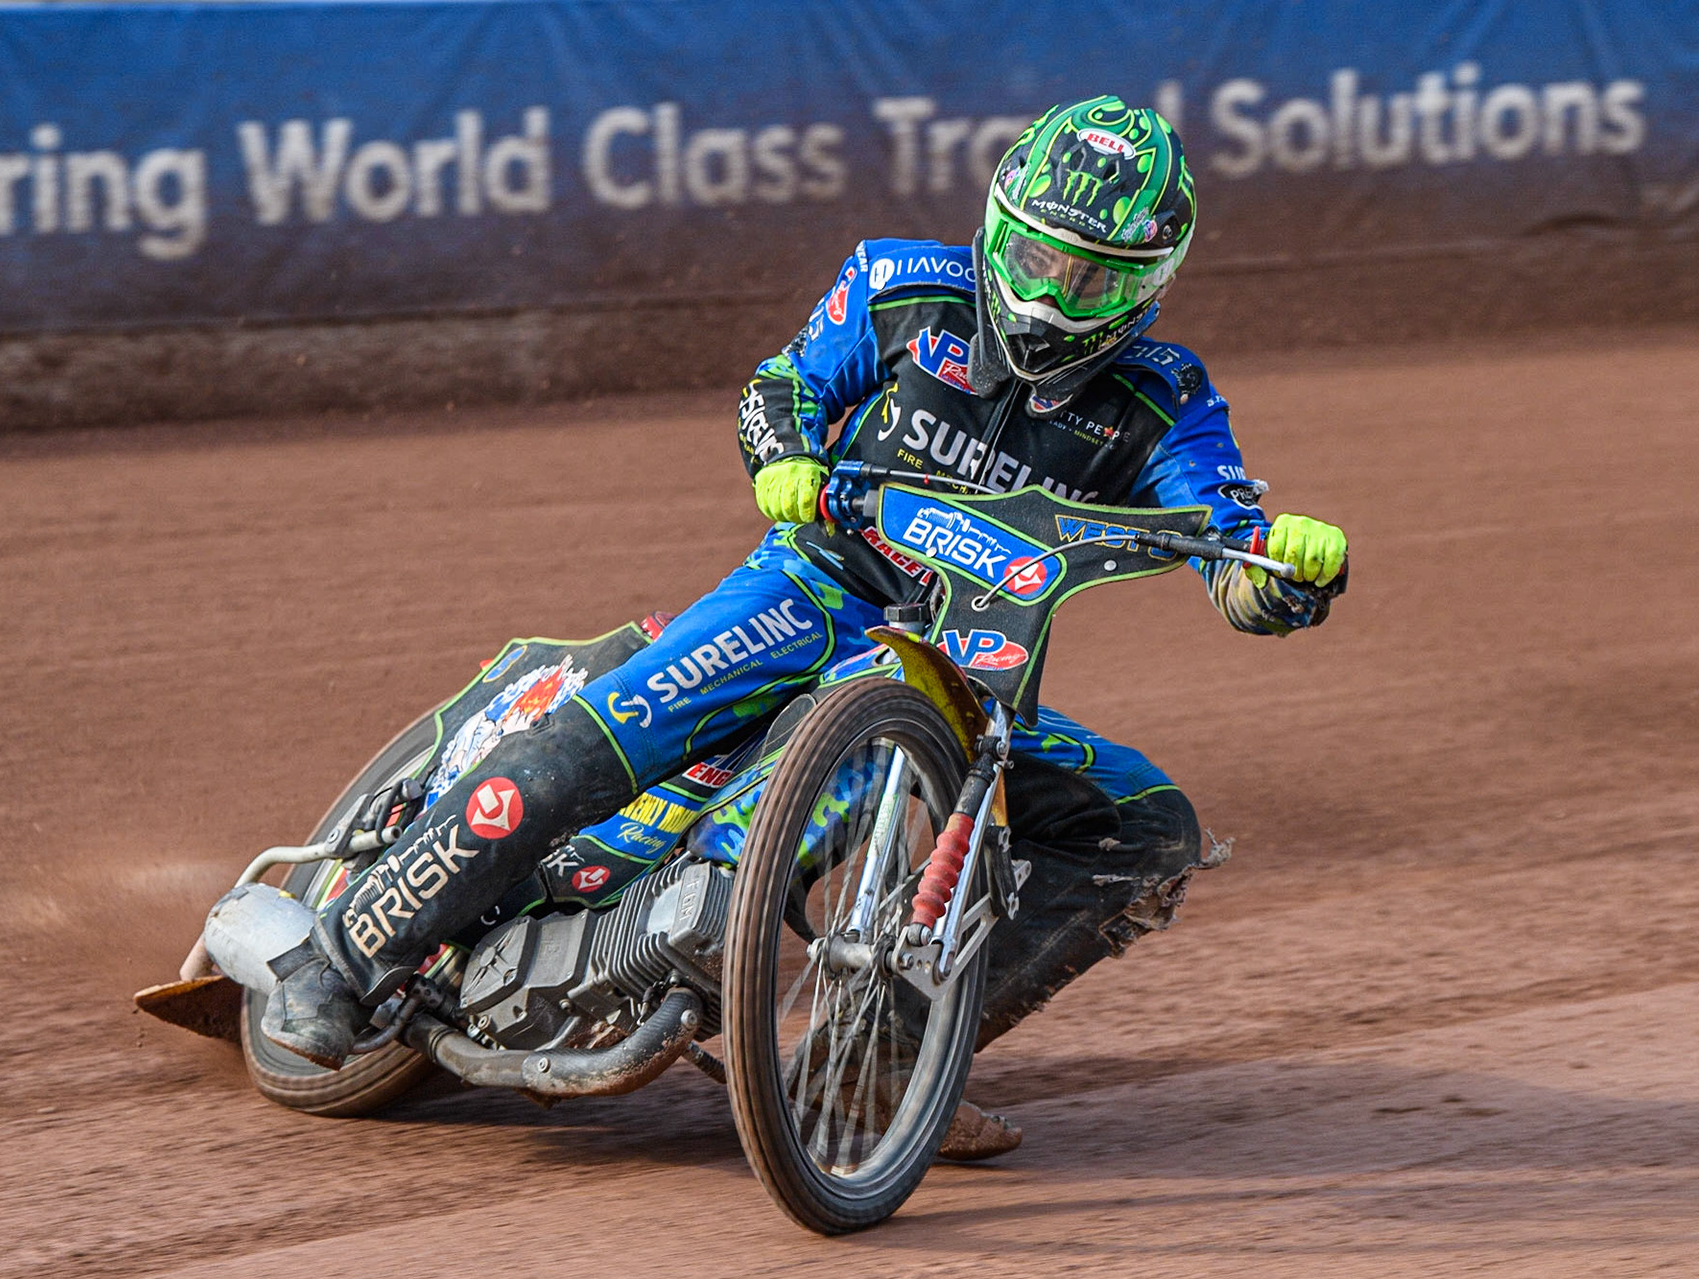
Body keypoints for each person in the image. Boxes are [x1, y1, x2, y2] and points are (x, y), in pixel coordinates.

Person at [262, 96, 1348, 1155]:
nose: (1052, 298)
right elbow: (780, 385)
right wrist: (784, 456)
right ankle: (343, 959)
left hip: (965, 666)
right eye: (1034, 259)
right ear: (996, 226)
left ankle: (878, 1067)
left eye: (1092, 278)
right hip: (810, 587)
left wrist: (1285, 571)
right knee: (606, 732)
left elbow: (1231, 546)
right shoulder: (899, 283)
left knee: (1147, 825)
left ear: (1150, 282)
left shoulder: (1168, 397)